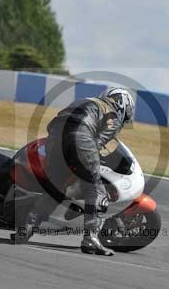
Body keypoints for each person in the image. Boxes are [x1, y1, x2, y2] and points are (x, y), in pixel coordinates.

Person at [13, 87, 135, 256]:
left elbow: (52, 124)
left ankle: (24, 231)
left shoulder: (84, 101)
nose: (126, 116)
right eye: (127, 112)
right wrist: (92, 157)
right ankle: (91, 239)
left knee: (55, 189)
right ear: (122, 104)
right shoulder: (111, 114)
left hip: (55, 140)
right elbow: (99, 141)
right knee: (97, 190)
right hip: (81, 138)